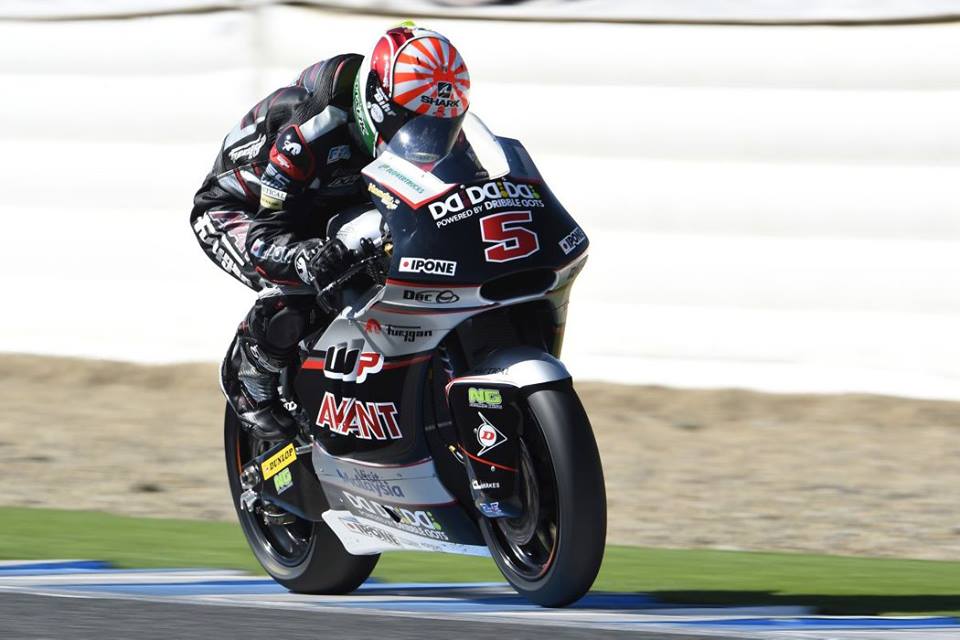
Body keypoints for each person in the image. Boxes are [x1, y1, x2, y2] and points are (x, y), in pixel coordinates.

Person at [189, 23, 471, 438]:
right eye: (414, 122)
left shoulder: (432, 121)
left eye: (440, 125)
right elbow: (265, 238)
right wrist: (305, 258)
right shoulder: (312, 125)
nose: (428, 137)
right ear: (377, 103)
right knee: (300, 287)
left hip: (331, 201)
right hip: (242, 210)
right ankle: (250, 372)